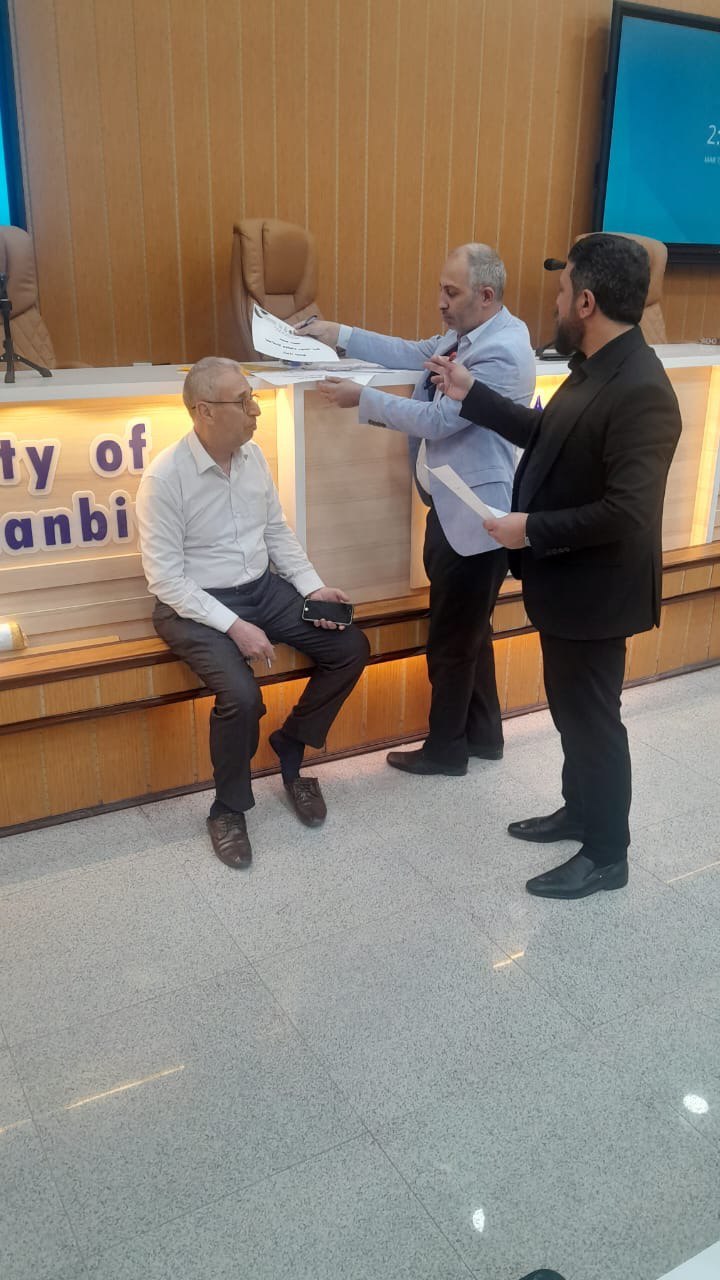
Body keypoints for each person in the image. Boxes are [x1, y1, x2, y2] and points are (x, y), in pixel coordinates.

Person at [426, 233, 681, 900]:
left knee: (594, 721)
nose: (557, 303)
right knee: (572, 713)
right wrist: (472, 393)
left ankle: (607, 853)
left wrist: (529, 528)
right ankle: (579, 811)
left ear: (588, 302)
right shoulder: (593, 367)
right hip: (567, 587)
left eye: (564, 292)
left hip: (598, 594)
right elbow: (547, 436)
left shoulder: (642, 389)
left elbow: (627, 511)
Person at [300, 244, 535, 777]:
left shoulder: (501, 351)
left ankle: (446, 750)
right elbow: (413, 351)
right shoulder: (470, 334)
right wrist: (338, 334)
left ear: (486, 295)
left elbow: (440, 422)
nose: (440, 303)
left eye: (451, 292)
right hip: (452, 505)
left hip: (477, 515)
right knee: (470, 632)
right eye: (440, 290)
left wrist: (362, 399)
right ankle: (485, 736)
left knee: (451, 641)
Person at [135, 357, 369, 870]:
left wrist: (313, 587)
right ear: (204, 411)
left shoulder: (253, 456)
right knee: (241, 697)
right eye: (242, 402)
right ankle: (228, 809)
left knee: (350, 646)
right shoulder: (165, 479)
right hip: (194, 605)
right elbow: (166, 580)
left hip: (263, 589)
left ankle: (291, 746)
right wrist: (236, 627)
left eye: (252, 398)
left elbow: (275, 531)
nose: (255, 410)